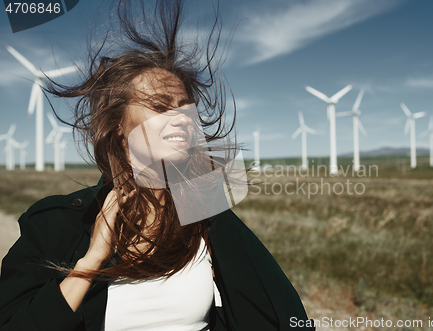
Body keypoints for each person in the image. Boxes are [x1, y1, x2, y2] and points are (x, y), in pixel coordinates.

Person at [0, 0, 313, 330]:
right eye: (159, 107)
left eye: (184, 107)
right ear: (118, 124)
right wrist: (91, 261)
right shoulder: (56, 226)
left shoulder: (207, 219)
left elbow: (279, 311)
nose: (180, 119)